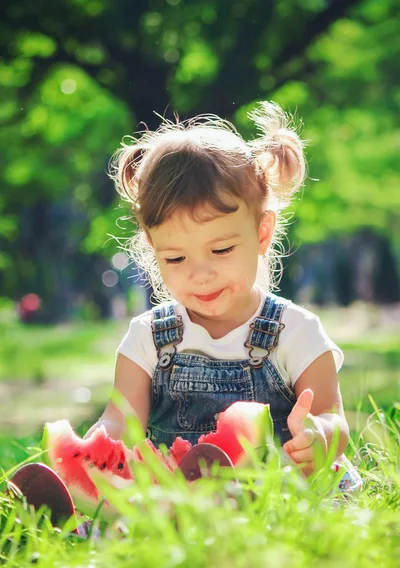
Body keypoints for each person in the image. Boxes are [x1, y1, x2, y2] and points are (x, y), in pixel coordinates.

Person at [87, 102, 361, 490]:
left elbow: (332, 419)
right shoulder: (148, 337)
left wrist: (319, 437)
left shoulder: (295, 331)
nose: (201, 274)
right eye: (176, 257)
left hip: (283, 492)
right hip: (181, 499)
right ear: (152, 248)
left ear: (262, 232)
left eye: (221, 251)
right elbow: (120, 421)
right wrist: (93, 450)